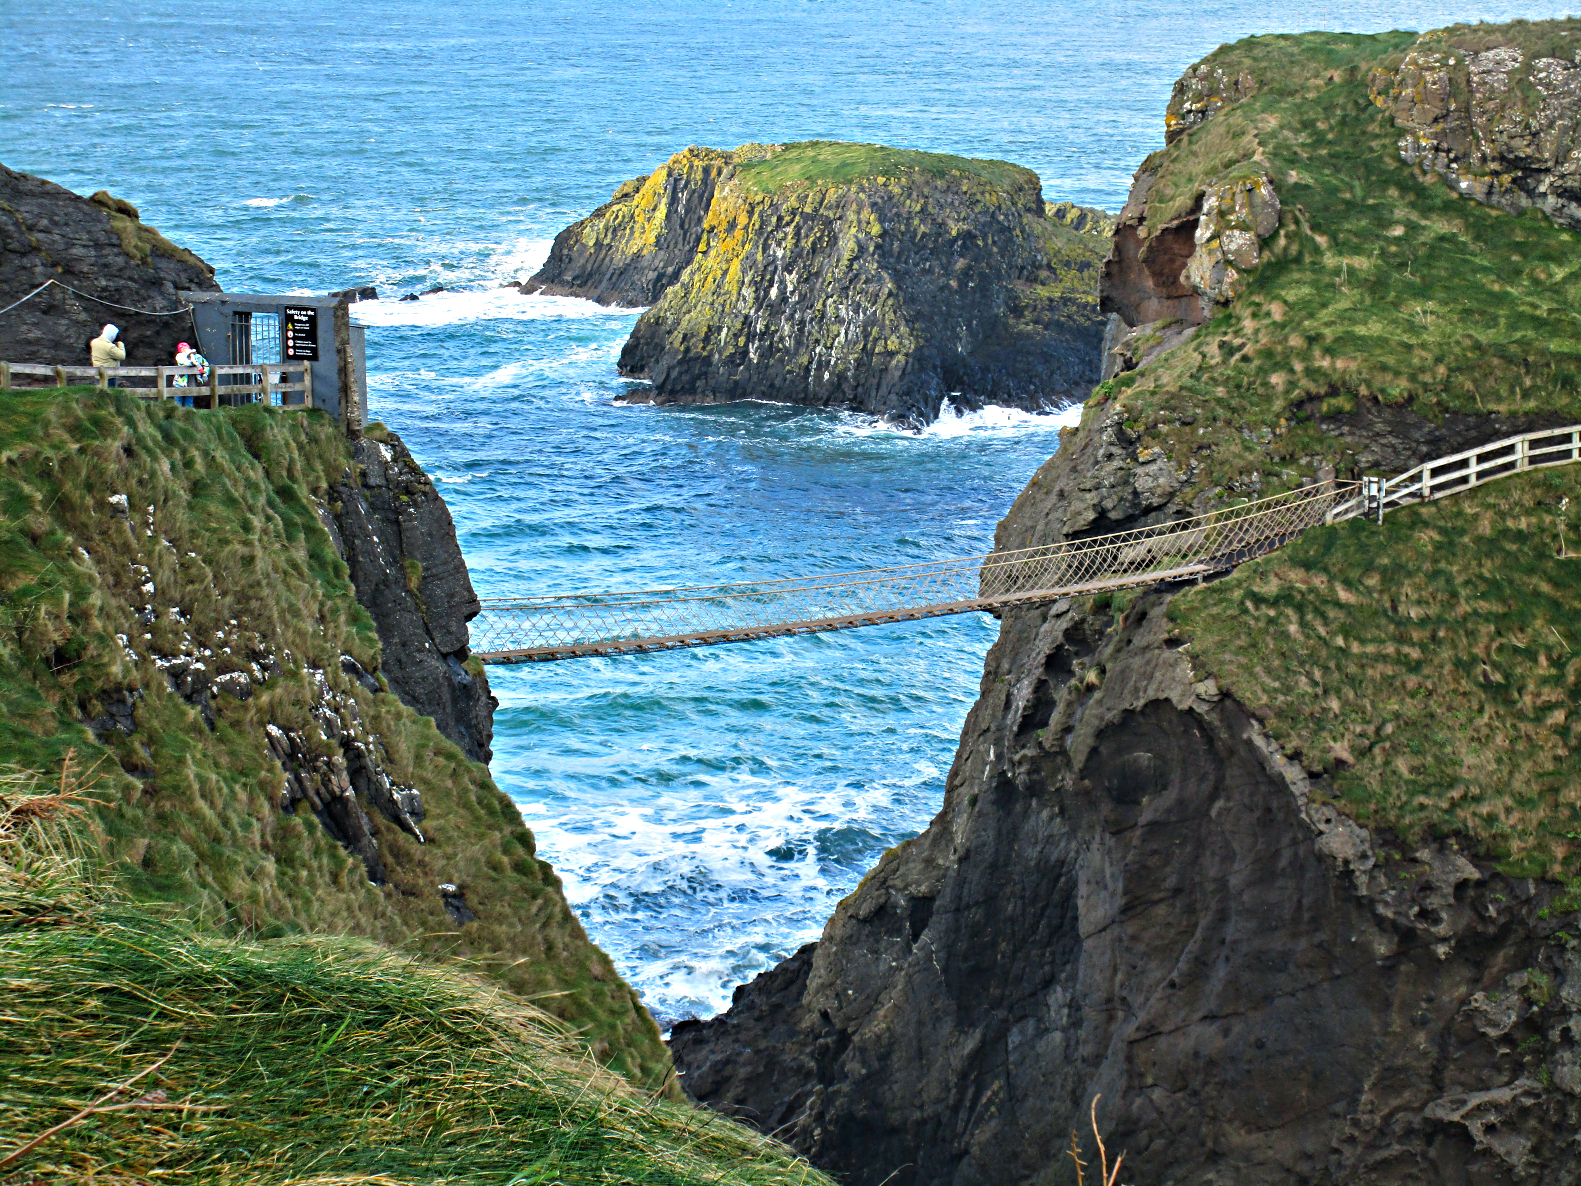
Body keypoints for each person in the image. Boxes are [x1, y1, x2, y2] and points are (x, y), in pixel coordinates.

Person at [173, 341, 209, 408]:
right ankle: (177, 416)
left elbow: (206, 364)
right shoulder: (179, 356)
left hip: (191, 382)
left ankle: (188, 416)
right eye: (182, 348)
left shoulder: (197, 357)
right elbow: (186, 363)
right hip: (180, 383)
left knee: (189, 402)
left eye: (185, 346)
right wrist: (193, 359)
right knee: (177, 403)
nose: (184, 348)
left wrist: (205, 374)